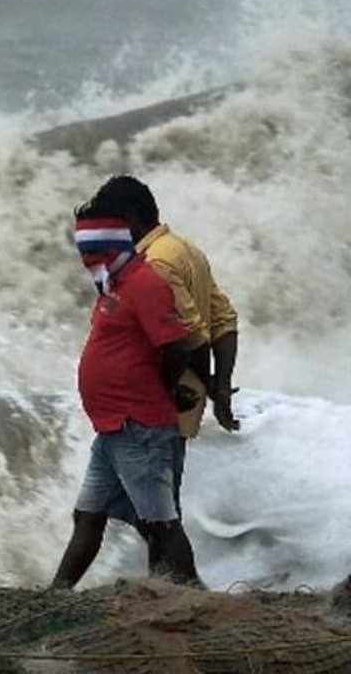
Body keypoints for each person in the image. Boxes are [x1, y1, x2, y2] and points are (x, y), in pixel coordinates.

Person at [89, 175, 239, 568]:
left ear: (130, 218)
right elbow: (224, 320)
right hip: (172, 397)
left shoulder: (154, 263)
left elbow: (190, 335)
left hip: (159, 398)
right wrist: (219, 387)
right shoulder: (186, 249)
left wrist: (184, 385)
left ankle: (179, 585)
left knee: (159, 515)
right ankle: (165, 583)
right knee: (151, 508)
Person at [52, 199, 201, 588]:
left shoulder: (145, 283)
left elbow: (177, 345)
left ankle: (193, 598)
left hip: (138, 426)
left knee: (161, 524)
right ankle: (56, 595)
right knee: (88, 515)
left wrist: (165, 389)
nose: (83, 254)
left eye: (89, 245)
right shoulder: (113, 284)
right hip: (113, 428)